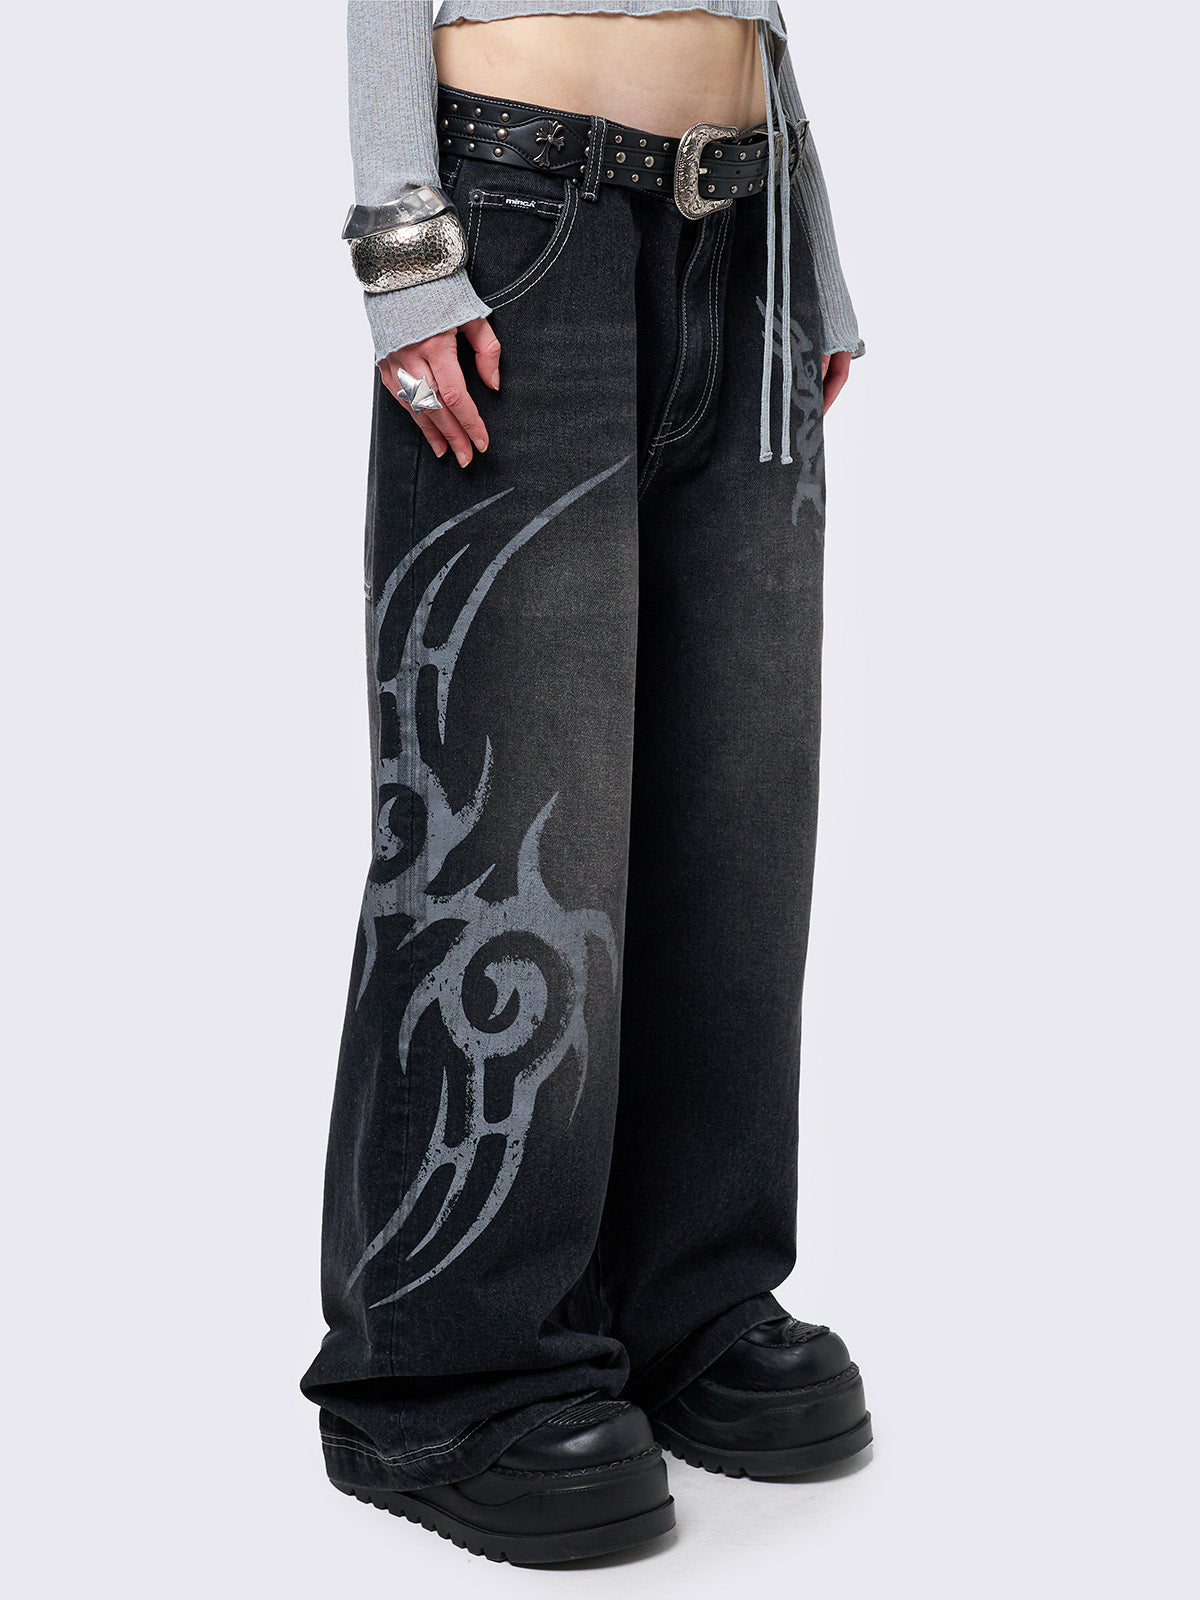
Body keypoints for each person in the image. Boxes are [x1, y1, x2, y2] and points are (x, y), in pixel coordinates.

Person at [301, 1, 870, 1565]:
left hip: (747, 221)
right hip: (515, 216)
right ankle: (449, 1371)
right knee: (511, 808)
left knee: (737, 805)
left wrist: (812, 253)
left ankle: (688, 1297)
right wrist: (404, 243)